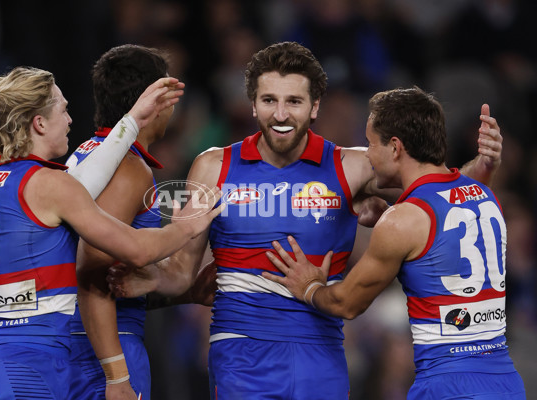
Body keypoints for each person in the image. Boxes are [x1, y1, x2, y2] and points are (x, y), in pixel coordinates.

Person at [108, 42, 502, 399]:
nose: (280, 114)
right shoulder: (212, 167)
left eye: (294, 101)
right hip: (240, 352)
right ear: (252, 104)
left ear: (314, 107)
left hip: (322, 351)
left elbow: (439, 196)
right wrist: (155, 278)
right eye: (268, 100)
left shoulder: (353, 166)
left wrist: (482, 167)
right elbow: (181, 272)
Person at [0, 66, 223, 399]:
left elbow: (84, 179)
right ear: (39, 123)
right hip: (30, 367)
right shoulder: (51, 186)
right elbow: (137, 249)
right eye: (63, 110)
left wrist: (132, 120)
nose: (70, 120)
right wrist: (185, 228)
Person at [263, 86, 526, 399]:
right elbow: (445, 210)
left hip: (448, 387)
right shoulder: (485, 195)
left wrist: (309, 287)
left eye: (371, 143)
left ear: (395, 147)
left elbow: (347, 303)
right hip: (505, 382)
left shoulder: (403, 221)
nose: (368, 154)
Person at [67, 44, 205, 400]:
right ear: (157, 102)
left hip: (85, 343)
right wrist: (116, 375)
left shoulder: (88, 154)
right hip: (107, 351)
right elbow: (92, 268)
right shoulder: (126, 169)